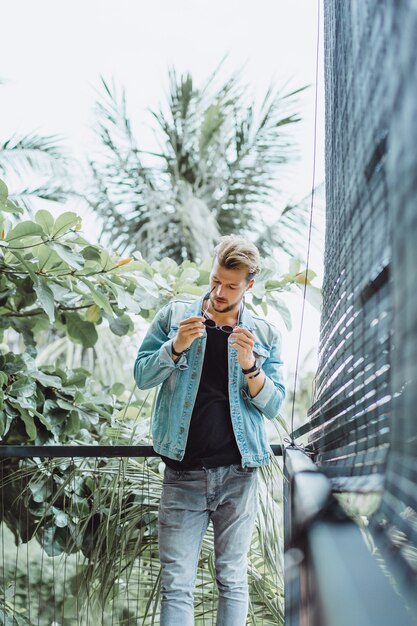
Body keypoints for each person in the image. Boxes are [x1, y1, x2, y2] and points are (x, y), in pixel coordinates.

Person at [133, 235, 285, 626]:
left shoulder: (264, 334)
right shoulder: (175, 316)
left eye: (230, 286)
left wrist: (250, 364)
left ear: (249, 285)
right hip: (183, 474)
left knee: (232, 580)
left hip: (239, 475)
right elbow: (142, 375)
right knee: (176, 584)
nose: (219, 292)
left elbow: (273, 404)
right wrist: (176, 346)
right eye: (215, 280)